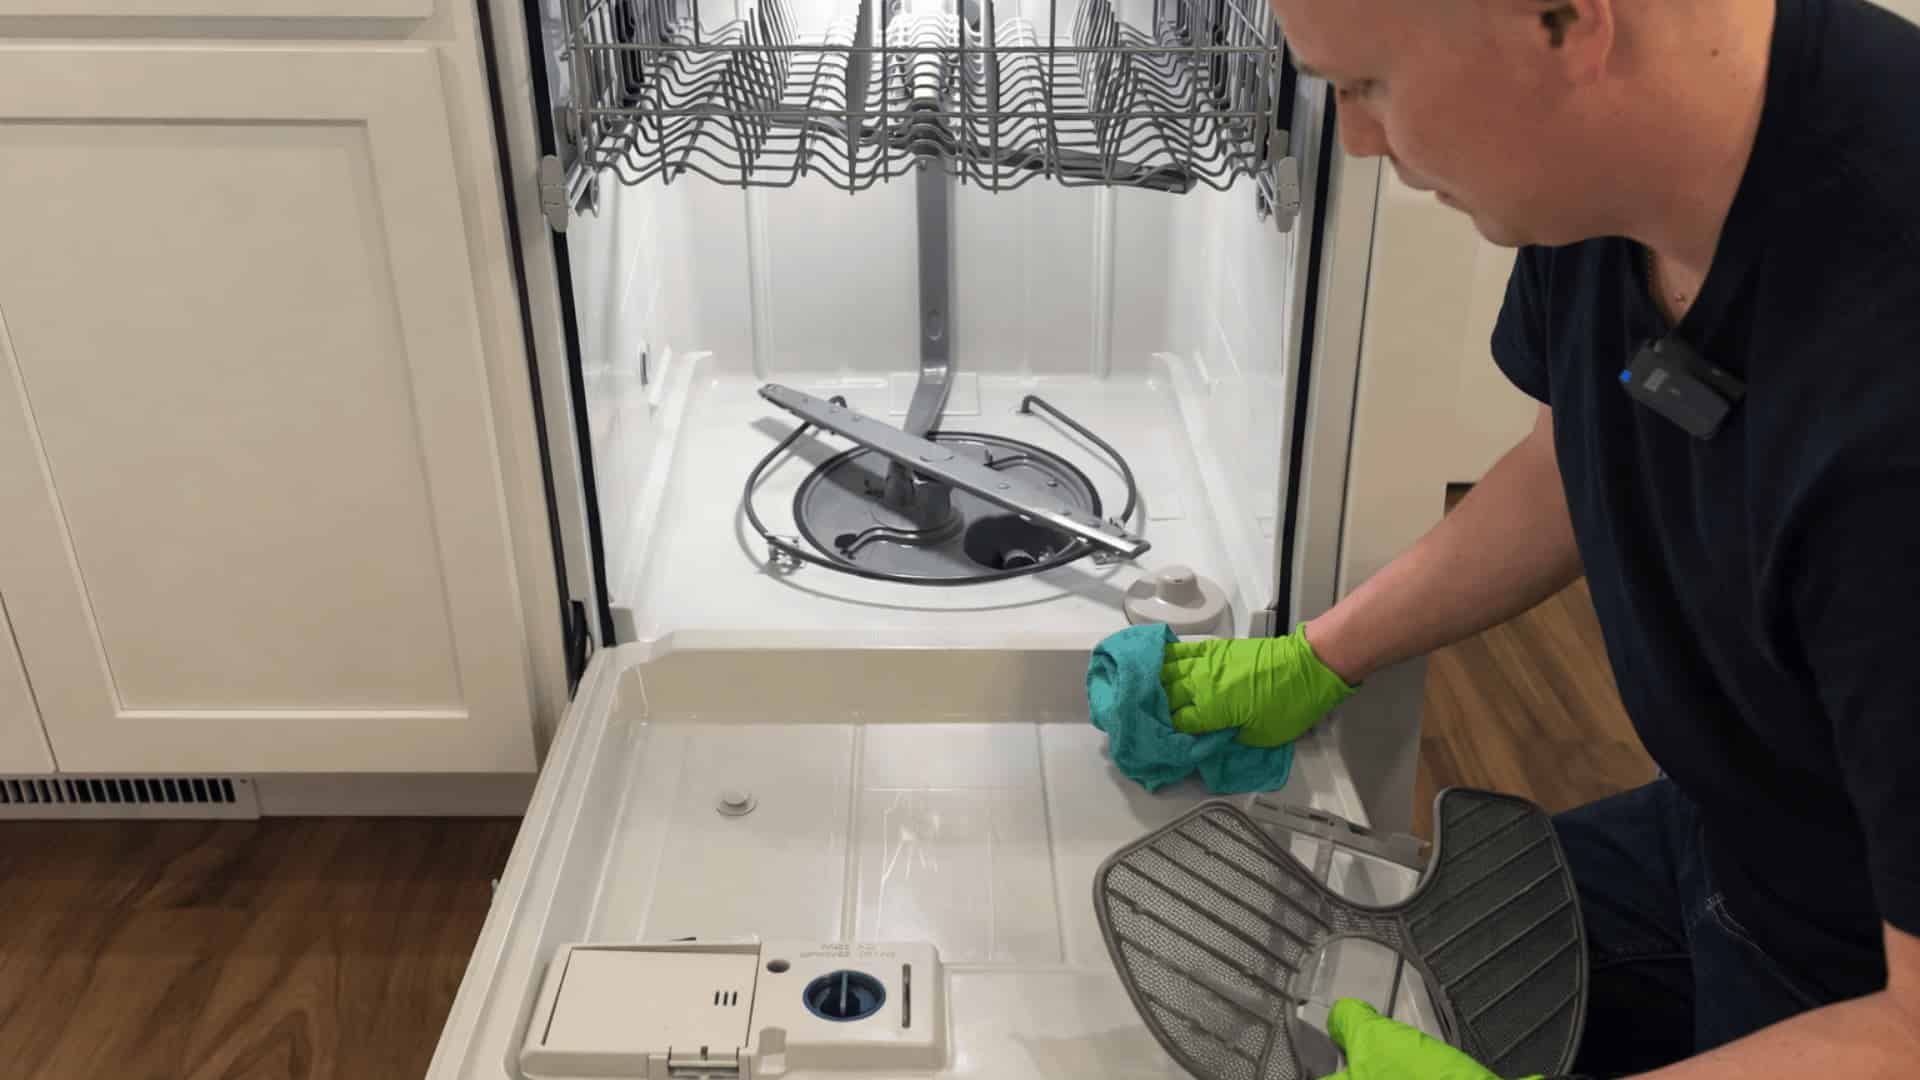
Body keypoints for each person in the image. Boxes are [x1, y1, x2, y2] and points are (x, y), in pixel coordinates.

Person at [1156, 0, 1920, 1076]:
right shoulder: (1612, 176)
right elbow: (1574, 459)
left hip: (1861, 976)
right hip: (1730, 824)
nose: (1356, 139)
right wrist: (1318, 657)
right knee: (1378, 989)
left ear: (1562, 22)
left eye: (1369, 85)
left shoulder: (1889, 363)